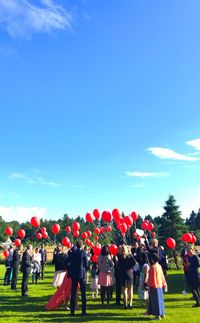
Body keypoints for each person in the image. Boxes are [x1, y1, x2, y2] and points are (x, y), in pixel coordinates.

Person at [66, 240, 88, 316]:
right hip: (82, 275)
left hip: (74, 274)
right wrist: (85, 270)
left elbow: (66, 262)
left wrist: (70, 269)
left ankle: (72, 311)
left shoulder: (73, 253)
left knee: (73, 293)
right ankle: (84, 311)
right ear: (82, 246)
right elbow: (87, 264)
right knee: (83, 294)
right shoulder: (83, 253)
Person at [148, 253, 166, 320]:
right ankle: (162, 314)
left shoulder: (153, 267)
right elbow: (162, 276)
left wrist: (150, 287)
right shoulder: (159, 266)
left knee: (155, 301)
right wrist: (164, 283)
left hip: (154, 286)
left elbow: (152, 279)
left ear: (152, 259)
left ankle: (157, 315)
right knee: (160, 300)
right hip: (160, 285)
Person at [118, 244, 136, 309]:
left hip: (123, 273)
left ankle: (125, 303)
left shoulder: (120, 256)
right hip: (130, 273)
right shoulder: (130, 256)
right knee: (130, 289)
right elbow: (134, 263)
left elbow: (118, 265)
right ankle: (130, 303)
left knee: (124, 289)